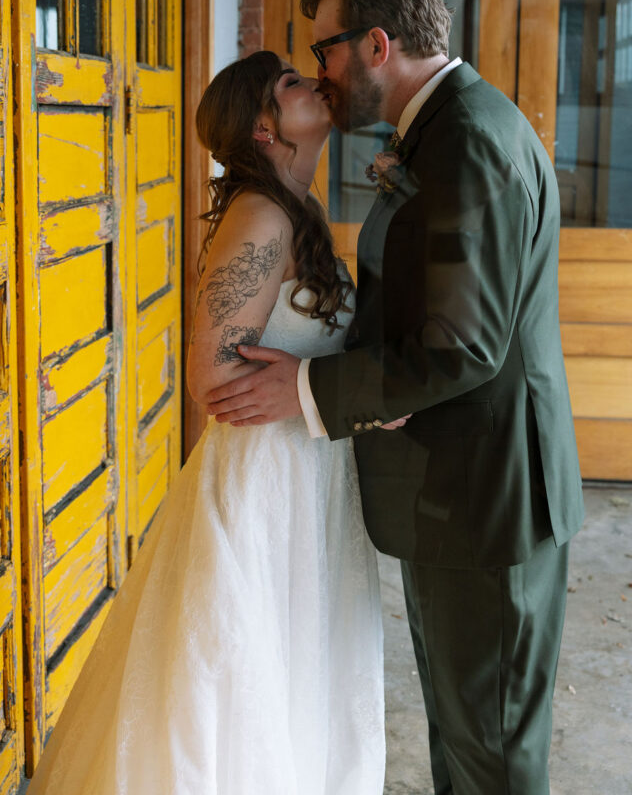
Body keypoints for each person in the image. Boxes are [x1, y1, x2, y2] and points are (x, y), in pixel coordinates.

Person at [208, 0, 586, 795]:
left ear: (376, 46)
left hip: (488, 499)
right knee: (464, 735)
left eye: (325, 52)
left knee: (489, 752)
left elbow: (462, 346)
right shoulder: (446, 130)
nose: (320, 73)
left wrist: (307, 389)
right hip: (458, 487)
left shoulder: (468, 144)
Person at [27, 50, 386, 795]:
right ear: (263, 128)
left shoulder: (297, 208)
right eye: (290, 83)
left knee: (300, 661)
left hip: (311, 473)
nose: (311, 82)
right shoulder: (261, 217)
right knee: (244, 673)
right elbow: (211, 379)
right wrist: (310, 391)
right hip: (267, 479)